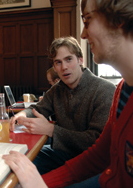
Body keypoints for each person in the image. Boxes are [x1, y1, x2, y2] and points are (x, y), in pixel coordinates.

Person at [3, 0, 133, 187]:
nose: (83, 34)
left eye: (87, 21)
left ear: (120, 19)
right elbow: (99, 156)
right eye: (58, 62)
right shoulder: (123, 88)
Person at [9, 36, 116, 175]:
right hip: (63, 154)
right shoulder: (57, 89)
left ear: (80, 60)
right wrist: (22, 114)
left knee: (24, 170)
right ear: (54, 67)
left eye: (69, 59)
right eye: (58, 62)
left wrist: (51, 130)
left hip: (94, 164)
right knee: (14, 163)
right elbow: (38, 108)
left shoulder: (105, 90)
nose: (64, 67)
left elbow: (96, 141)